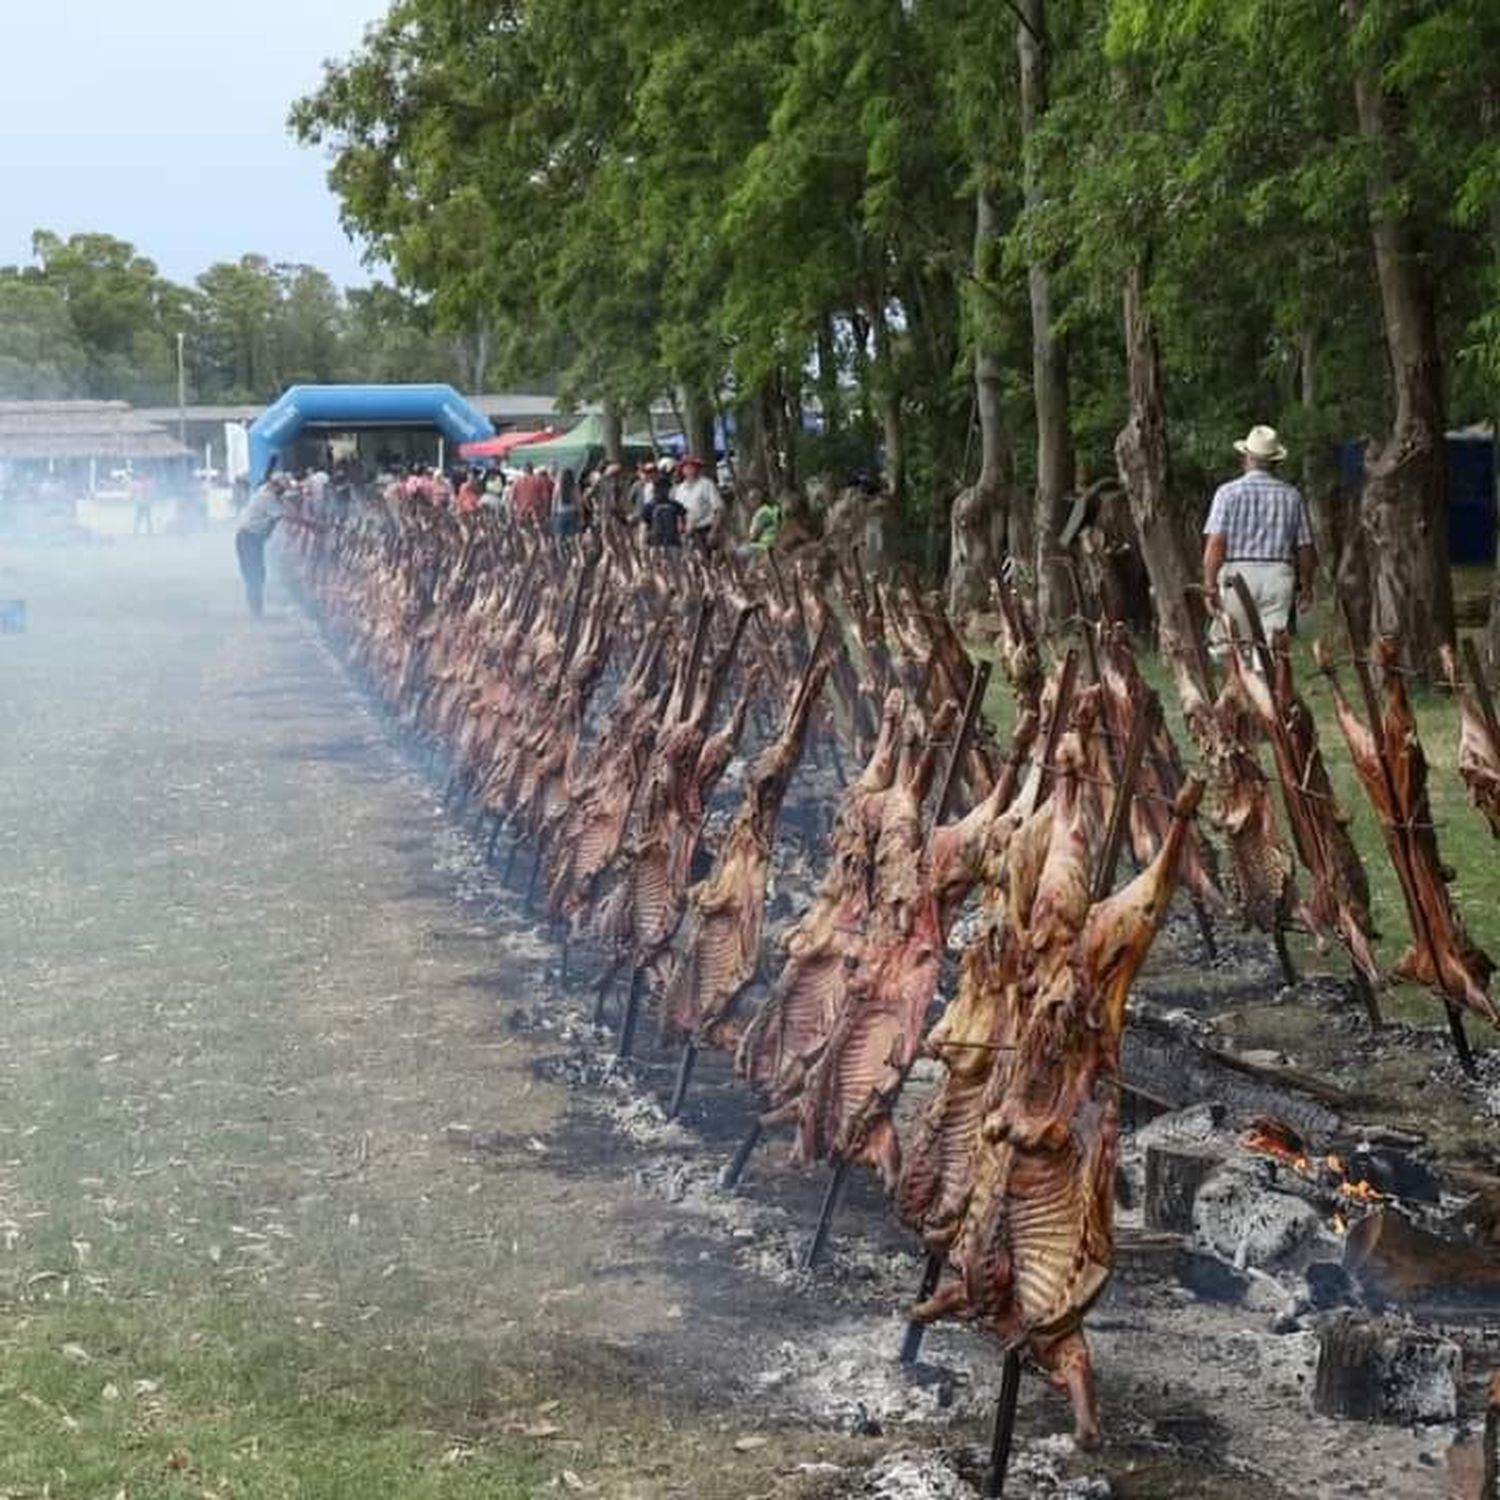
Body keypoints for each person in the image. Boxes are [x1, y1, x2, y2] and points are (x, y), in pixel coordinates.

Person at [1202, 424, 1315, 652]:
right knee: (1271, 649)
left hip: (1238, 575)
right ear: (1275, 462)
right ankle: (1266, 683)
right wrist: (1307, 585)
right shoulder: (1291, 496)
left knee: (1232, 646)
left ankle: (1242, 684)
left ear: (1246, 458)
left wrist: (1209, 584)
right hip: (1278, 576)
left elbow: (1216, 543)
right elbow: (1304, 547)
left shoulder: (1227, 493)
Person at [235, 475, 290, 617]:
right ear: (274, 486)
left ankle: (255, 608)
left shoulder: (265, 494)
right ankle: (256, 611)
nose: (282, 493)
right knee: (255, 573)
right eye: (281, 490)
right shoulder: (268, 498)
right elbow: (283, 515)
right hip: (249, 537)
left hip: (250, 538)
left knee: (256, 573)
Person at [674, 454, 722, 550]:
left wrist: (713, 531)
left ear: (698, 468)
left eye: (693, 466)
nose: (690, 469)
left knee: (710, 560)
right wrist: (679, 526)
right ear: (682, 470)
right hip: (688, 531)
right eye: (687, 467)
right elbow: (678, 512)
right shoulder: (680, 489)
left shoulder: (707, 484)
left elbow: (719, 509)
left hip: (706, 528)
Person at [552, 467, 583, 539]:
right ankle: (572, 549)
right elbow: (578, 502)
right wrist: (581, 515)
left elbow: (554, 501)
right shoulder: (574, 486)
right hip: (572, 512)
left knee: (558, 538)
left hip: (560, 513)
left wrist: (553, 513)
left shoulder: (558, 486)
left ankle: (560, 550)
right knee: (572, 538)